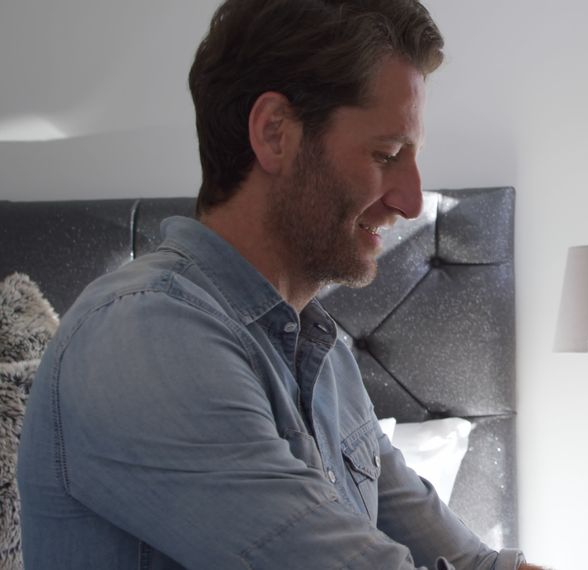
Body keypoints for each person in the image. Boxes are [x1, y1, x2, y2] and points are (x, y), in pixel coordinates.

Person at [16, 1, 544, 568]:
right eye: (386, 154)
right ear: (275, 134)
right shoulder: (141, 336)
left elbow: (472, 563)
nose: (412, 200)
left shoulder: (325, 357)